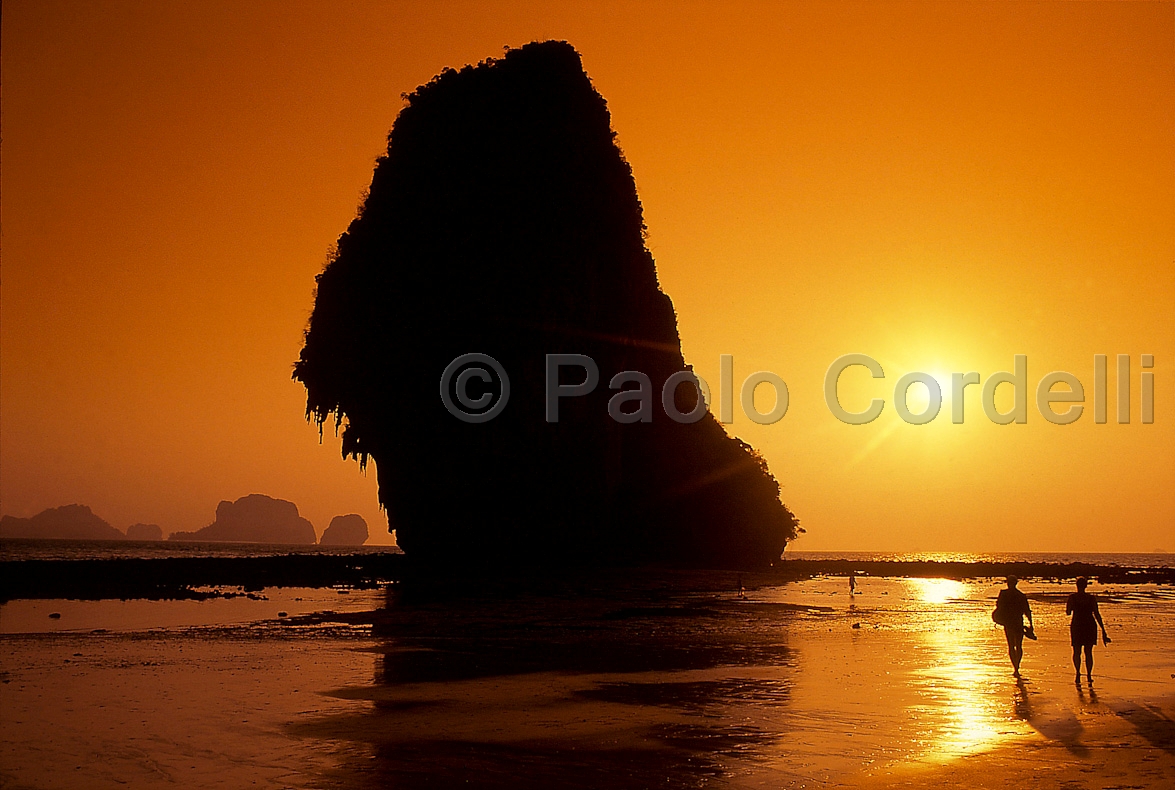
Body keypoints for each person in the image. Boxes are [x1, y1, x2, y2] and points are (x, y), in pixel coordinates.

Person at [1067, 576, 1110, 683]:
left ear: (1077, 586)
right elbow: (1097, 614)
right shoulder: (1091, 598)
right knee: (1088, 652)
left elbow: (1068, 612)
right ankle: (1089, 675)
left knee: (1076, 651)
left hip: (1077, 625)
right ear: (1086, 586)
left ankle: (1077, 673)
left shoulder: (1072, 598)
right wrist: (1103, 630)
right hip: (1089, 625)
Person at [994, 576, 1034, 677]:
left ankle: (1015, 667)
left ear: (1008, 583)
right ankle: (1017, 666)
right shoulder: (1021, 595)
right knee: (1018, 646)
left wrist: (998, 618)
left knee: (1011, 645)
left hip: (1008, 622)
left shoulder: (1003, 594)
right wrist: (1031, 624)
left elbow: (998, 607)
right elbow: (1027, 611)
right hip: (1017, 622)